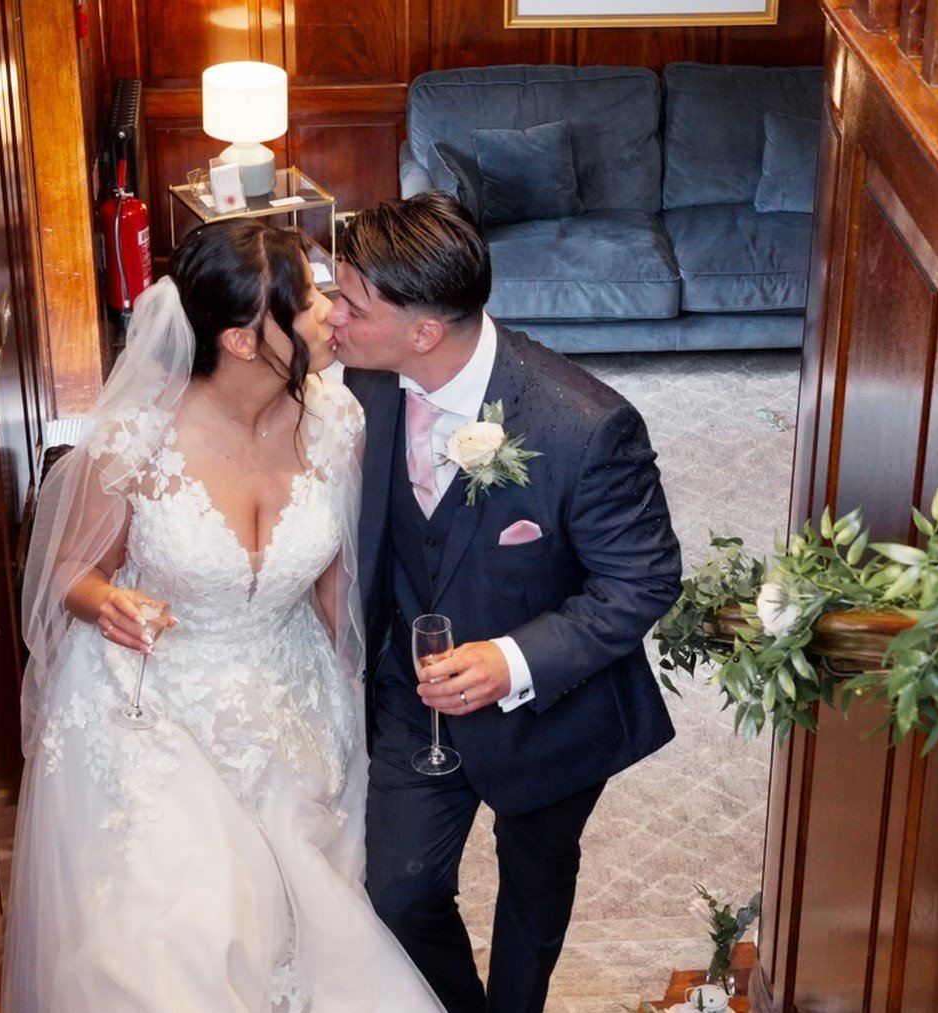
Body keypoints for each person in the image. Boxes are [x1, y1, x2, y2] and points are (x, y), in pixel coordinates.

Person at [2, 218, 444, 1012]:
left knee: (311, 936)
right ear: (244, 340)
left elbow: (341, 583)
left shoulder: (338, 421)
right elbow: (72, 567)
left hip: (292, 705)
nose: (330, 313)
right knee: (171, 946)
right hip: (156, 712)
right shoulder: (138, 436)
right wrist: (111, 602)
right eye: (308, 300)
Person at [328, 192, 684, 1013]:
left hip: (552, 714)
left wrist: (511, 659)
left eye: (351, 301)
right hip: (409, 700)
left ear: (424, 330)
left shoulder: (586, 426)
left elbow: (643, 579)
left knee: (535, 883)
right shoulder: (364, 383)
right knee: (399, 891)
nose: (332, 314)